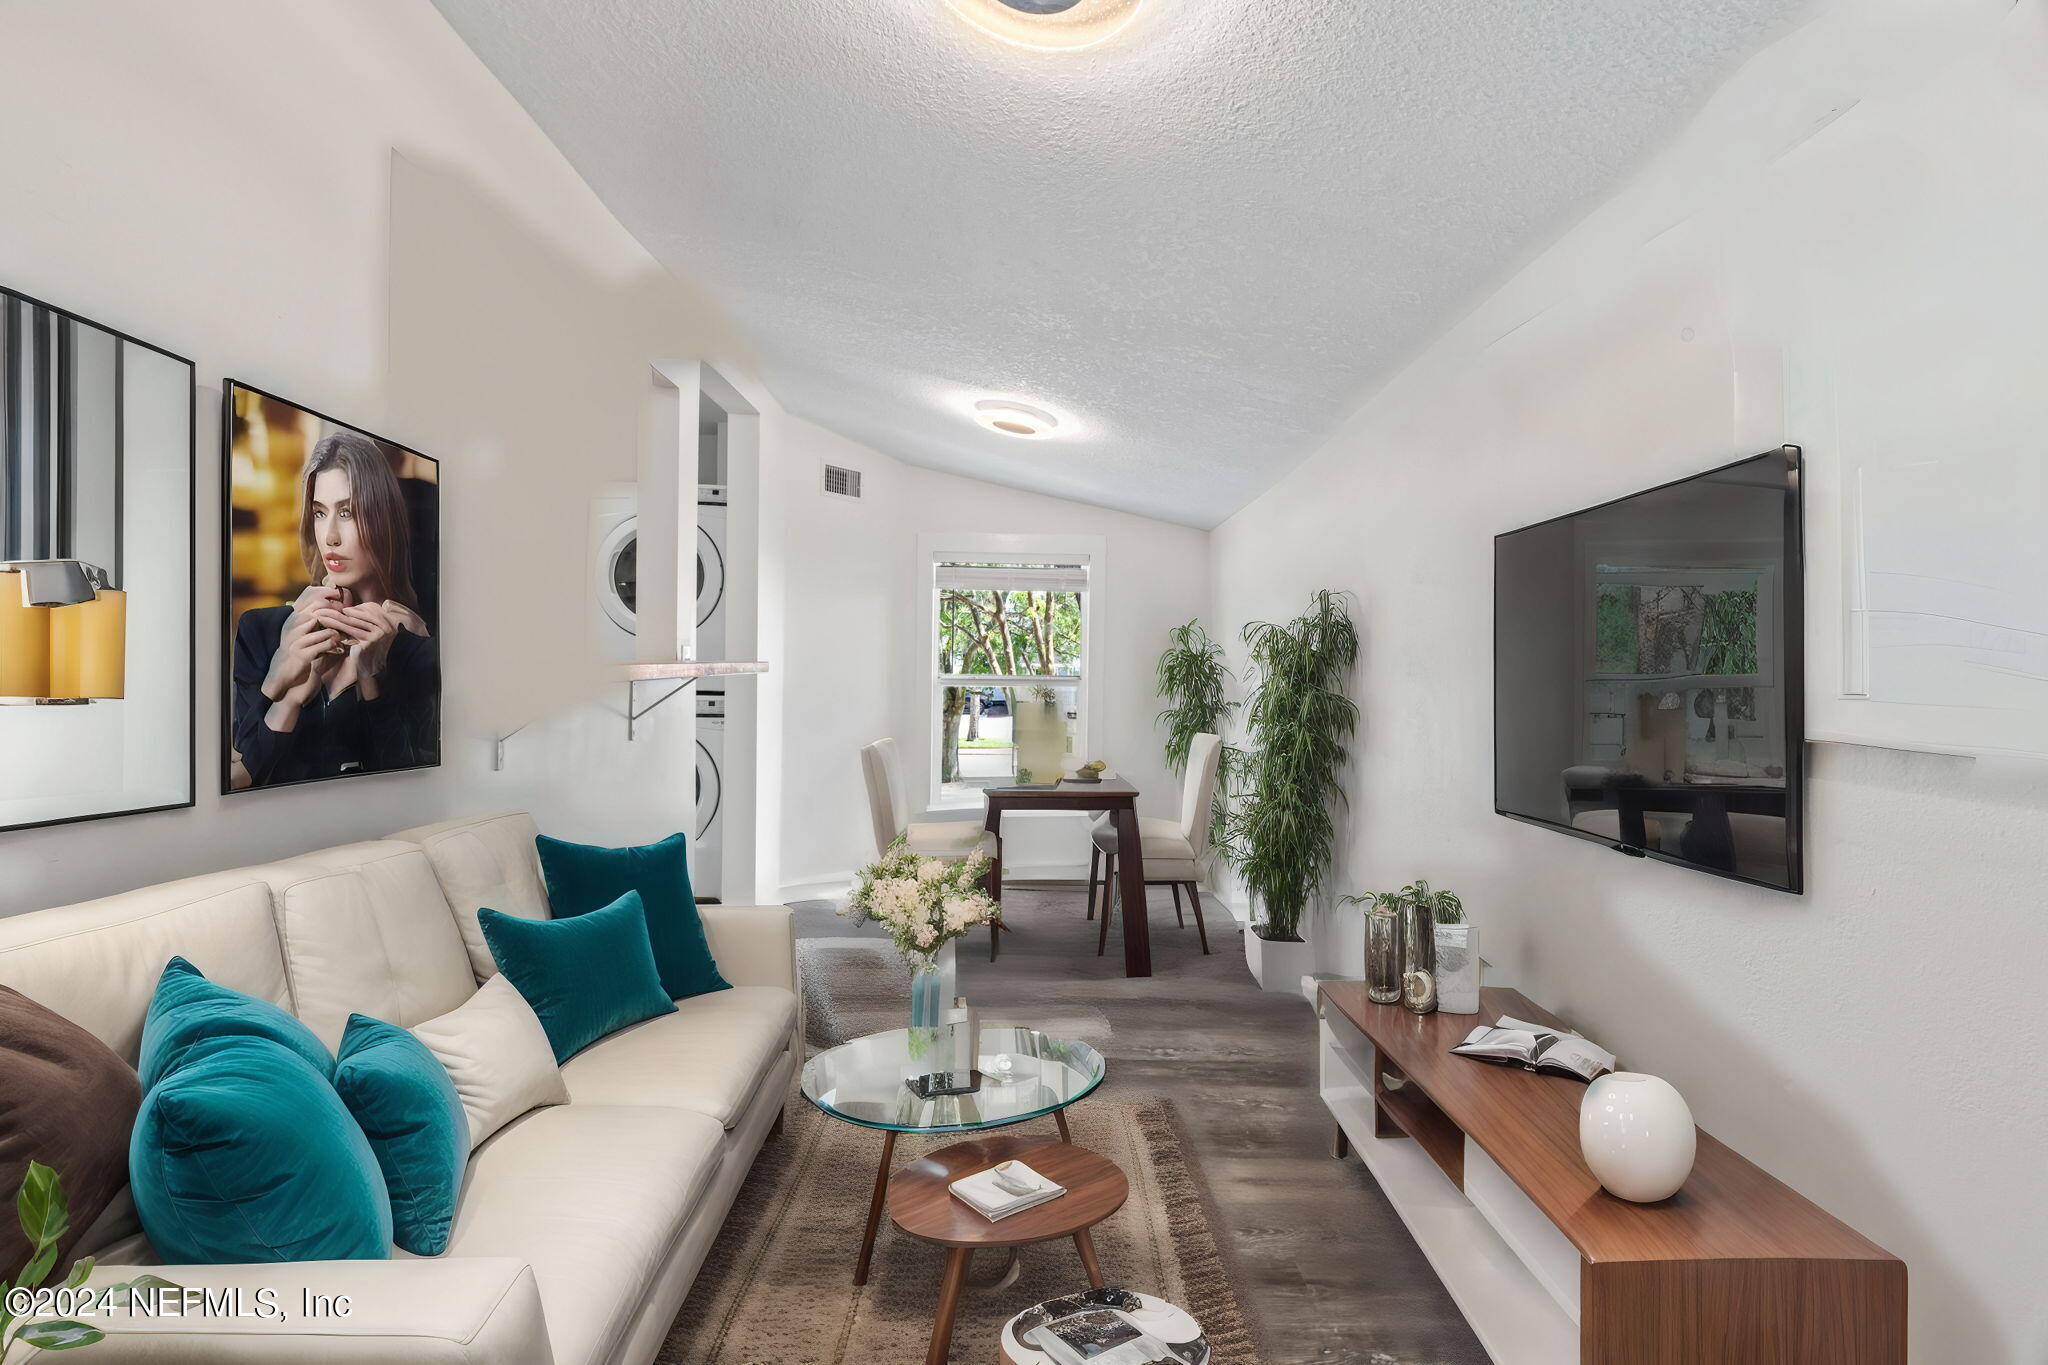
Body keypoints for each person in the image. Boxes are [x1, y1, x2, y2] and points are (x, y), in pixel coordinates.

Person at [232, 430, 437, 786]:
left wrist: (373, 679)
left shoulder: (417, 648)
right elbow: (242, 779)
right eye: (319, 513)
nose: (329, 537)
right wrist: (281, 685)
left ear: (384, 519)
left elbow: (410, 785)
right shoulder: (260, 630)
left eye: (347, 512)